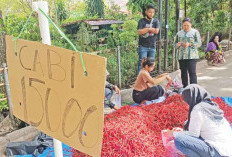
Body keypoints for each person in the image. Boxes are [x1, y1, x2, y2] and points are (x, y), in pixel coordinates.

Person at [173, 84, 232, 157]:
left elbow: (193, 135)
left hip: (217, 151)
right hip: (228, 150)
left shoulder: (198, 109)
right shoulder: (212, 105)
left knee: (179, 140)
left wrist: (175, 133)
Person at [174, 17, 202, 88]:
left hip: (192, 56)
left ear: (191, 25)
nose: (186, 27)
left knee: (192, 73)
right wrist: (177, 44)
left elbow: (199, 43)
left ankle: (194, 89)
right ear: (182, 25)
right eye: (184, 25)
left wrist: (190, 44)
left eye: (187, 25)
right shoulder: (179, 33)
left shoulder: (195, 32)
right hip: (181, 56)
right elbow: (174, 44)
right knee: (183, 74)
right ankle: (185, 89)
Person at [137, 3, 160, 74]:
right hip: (143, 46)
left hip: (152, 46)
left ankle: (147, 80)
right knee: (142, 63)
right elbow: (139, 31)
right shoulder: (141, 21)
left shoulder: (156, 21)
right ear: (146, 12)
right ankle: (140, 80)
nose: (151, 14)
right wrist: (150, 29)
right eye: (150, 12)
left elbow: (156, 31)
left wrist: (146, 29)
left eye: (153, 12)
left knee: (150, 64)